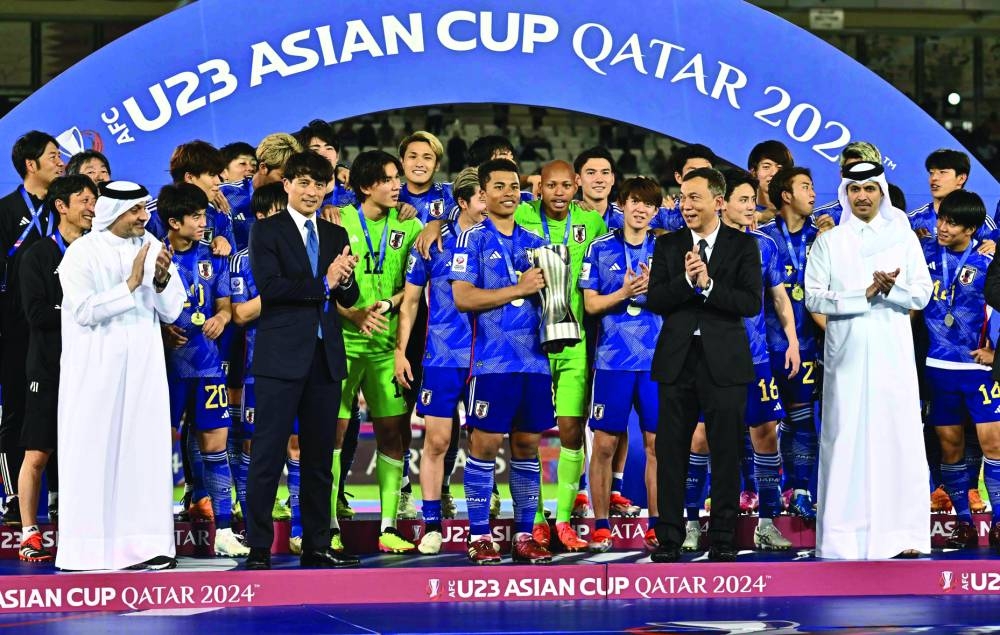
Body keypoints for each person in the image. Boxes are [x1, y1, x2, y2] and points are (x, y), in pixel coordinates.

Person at [804, 161, 932, 560]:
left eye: (870, 189)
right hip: (846, 361)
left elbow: (922, 294)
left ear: (881, 193)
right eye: (855, 190)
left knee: (897, 439)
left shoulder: (904, 239)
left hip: (893, 361)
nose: (862, 196)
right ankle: (843, 541)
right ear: (846, 194)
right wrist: (864, 294)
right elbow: (814, 297)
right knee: (845, 443)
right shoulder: (830, 242)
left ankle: (902, 537)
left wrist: (890, 291)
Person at [57, 180, 185, 570]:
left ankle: (149, 546)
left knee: (143, 453)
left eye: (145, 210)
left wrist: (159, 280)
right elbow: (83, 311)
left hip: (145, 370)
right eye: (135, 211)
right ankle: (88, 550)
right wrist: (131, 283)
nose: (144, 217)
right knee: (94, 454)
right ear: (114, 212)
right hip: (94, 375)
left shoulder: (151, 246)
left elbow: (173, 310)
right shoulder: (81, 253)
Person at [244, 151, 360, 570]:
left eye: (320, 184)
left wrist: (345, 279)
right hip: (279, 359)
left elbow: (350, 297)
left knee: (318, 460)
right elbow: (272, 288)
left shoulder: (333, 234)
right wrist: (324, 282)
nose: (312, 191)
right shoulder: (267, 231)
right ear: (288, 184)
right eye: (304, 183)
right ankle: (259, 547)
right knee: (268, 455)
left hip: (325, 358)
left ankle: (316, 544)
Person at [646, 167, 762, 563]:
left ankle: (724, 537)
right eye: (682, 197)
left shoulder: (744, 247)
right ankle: (670, 538)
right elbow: (657, 300)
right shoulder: (667, 245)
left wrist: (709, 285)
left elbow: (750, 303)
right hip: (677, 362)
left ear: (718, 201)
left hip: (725, 363)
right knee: (671, 450)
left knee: (727, 450)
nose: (686, 205)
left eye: (694, 197)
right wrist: (687, 280)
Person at [449, 158, 554, 565]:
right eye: (499, 186)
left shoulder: (535, 243)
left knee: (527, 445)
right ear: (484, 194)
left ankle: (524, 535)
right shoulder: (470, 240)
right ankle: (479, 535)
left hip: (535, 361)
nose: (509, 193)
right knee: (485, 444)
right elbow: (463, 297)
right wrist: (519, 288)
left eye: (514, 186)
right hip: (492, 361)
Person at [515, 160, 607, 552]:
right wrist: (434, 223)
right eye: (550, 185)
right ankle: (535, 518)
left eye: (565, 185)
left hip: (574, 343)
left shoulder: (594, 225)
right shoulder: (519, 214)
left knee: (571, 431)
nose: (558, 192)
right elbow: (470, 206)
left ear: (575, 188)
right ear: (539, 188)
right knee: (530, 433)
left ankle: (565, 519)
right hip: (528, 344)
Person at [335, 150, 422, 554]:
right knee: (333, 434)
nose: (396, 185)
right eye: (387, 179)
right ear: (366, 185)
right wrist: (352, 314)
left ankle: (388, 527)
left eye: (396, 178)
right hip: (344, 341)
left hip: (387, 345)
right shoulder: (337, 222)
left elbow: (415, 286)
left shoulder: (411, 224)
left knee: (392, 432)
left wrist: (387, 305)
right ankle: (331, 522)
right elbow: (326, 284)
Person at [394, 167, 486, 554]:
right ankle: (431, 524)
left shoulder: (506, 235)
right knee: (438, 439)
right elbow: (411, 302)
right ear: (463, 202)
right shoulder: (432, 243)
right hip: (443, 354)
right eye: (483, 196)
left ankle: (482, 525)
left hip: (491, 356)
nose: (491, 203)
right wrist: (402, 350)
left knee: (484, 441)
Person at [159, 182, 247, 557]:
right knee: (157, 449)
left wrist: (222, 318)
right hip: (166, 369)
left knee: (216, 445)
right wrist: (161, 330)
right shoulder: (153, 258)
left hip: (209, 366)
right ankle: (155, 531)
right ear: (173, 222)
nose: (202, 223)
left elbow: (226, 306)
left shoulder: (215, 257)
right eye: (195, 217)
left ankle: (224, 530)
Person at [579, 177, 662, 552]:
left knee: (657, 443)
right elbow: (590, 305)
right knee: (605, 445)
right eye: (634, 202)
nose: (640, 209)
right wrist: (625, 292)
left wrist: (654, 290)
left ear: (656, 211)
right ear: (622, 204)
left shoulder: (666, 250)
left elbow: (679, 302)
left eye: (648, 205)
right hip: (611, 361)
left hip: (656, 362)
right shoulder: (599, 249)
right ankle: (600, 525)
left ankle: (658, 525)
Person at [718, 169, 799, 551]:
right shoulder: (703, 243)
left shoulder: (765, 245)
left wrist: (793, 341)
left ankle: (766, 522)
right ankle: (691, 523)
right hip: (713, 358)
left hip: (757, 357)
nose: (752, 207)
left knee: (766, 436)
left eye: (754, 200)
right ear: (723, 203)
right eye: (744, 200)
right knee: (701, 439)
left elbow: (780, 297)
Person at [15, 175, 95, 562]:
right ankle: (29, 531)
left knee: (84, 452)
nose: (90, 206)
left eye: (94, 199)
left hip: (90, 367)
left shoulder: (99, 252)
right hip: (48, 368)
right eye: (83, 199)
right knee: (38, 452)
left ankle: (79, 529)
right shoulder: (37, 255)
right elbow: (36, 314)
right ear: (61, 206)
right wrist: (81, 311)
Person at [230, 182, 307, 552]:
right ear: (260, 217)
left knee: (299, 445)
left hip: (301, 362)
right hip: (258, 368)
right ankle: (251, 527)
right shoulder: (242, 260)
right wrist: (284, 290)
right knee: (257, 447)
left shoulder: (306, 253)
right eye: (277, 213)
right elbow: (241, 313)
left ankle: (302, 529)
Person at [921, 190, 1000, 549]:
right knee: (950, 448)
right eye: (941, 219)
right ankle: (964, 522)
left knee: (994, 444)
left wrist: (995, 355)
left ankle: (998, 521)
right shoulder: (922, 254)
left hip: (977, 368)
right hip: (938, 367)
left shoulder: (988, 262)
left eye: (951, 222)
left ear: (971, 229)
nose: (942, 226)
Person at [0, 130, 64, 526]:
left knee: (59, 411)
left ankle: (58, 493)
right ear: (31, 164)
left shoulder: (64, 208)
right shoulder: (5, 212)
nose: (60, 161)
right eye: (53, 156)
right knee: (16, 412)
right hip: (14, 328)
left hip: (58, 328)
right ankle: (9, 496)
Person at [757, 166, 821, 519]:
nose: (813, 194)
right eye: (806, 187)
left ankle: (801, 490)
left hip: (809, 345)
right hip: (766, 345)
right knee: (763, 425)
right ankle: (762, 496)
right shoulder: (762, 238)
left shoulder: (823, 237)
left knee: (802, 419)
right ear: (786, 195)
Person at [220, 133, 303, 252]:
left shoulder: (292, 198)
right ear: (263, 167)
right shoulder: (226, 194)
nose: (288, 184)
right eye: (282, 176)